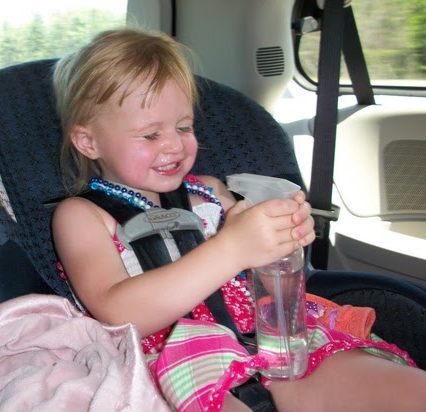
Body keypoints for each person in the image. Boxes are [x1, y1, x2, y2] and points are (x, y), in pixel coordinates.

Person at [51, 28, 426, 411]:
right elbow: (117, 312)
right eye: (150, 135)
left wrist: (283, 234)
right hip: (172, 360)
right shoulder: (82, 216)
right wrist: (230, 248)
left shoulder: (211, 192)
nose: (175, 145)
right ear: (89, 142)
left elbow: (261, 263)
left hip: (271, 335)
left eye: (184, 127)